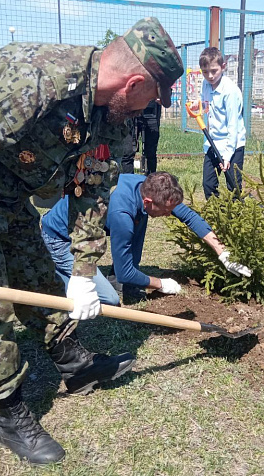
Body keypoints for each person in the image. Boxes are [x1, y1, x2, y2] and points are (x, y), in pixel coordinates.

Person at [0, 17, 184, 465]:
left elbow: (92, 189)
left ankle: (74, 364)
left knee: (37, 280)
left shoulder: (109, 115)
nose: (152, 109)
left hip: (11, 194)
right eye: (155, 96)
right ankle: (8, 410)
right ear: (133, 83)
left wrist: (86, 273)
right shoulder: (38, 80)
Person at [42, 172, 252, 304]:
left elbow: (187, 215)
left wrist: (222, 252)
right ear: (149, 200)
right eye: (167, 210)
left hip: (106, 220)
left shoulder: (145, 185)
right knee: (110, 299)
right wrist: (160, 283)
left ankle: (122, 281)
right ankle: (52, 276)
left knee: (141, 218)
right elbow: (126, 273)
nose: (170, 215)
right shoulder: (122, 216)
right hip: (61, 239)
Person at [198, 47, 247, 199]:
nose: (210, 76)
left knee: (233, 185)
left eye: (214, 71)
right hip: (212, 142)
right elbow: (205, 106)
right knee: (208, 184)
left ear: (223, 67)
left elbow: (233, 125)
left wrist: (227, 156)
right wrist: (198, 106)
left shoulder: (230, 91)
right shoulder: (205, 84)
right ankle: (215, 214)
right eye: (205, 72)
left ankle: (236, 216)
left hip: (232, 143)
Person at [137, 99, 162, 174]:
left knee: (151, 152)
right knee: (128, 152)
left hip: (152, 112)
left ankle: (151, 180)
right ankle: (128, 182)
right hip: (133, 113)